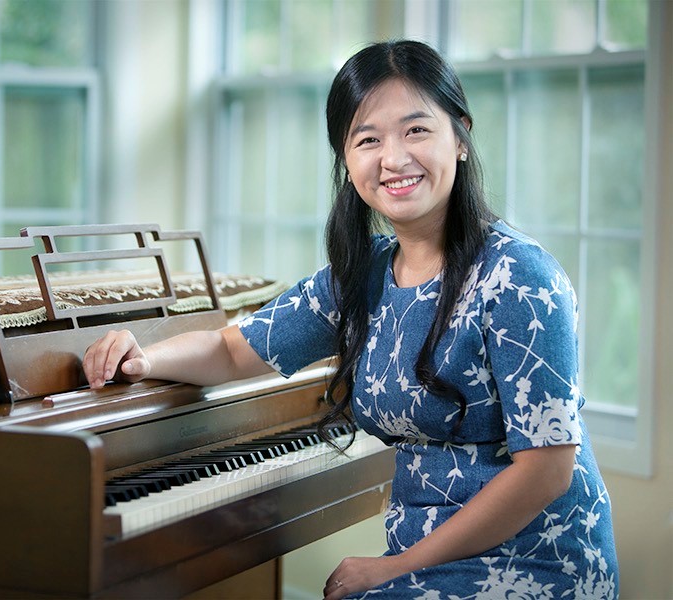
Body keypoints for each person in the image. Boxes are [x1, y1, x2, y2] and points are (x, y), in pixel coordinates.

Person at [83, 40, 618, 599]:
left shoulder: (520, 276)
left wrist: (394, 567)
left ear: (460, 137)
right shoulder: (364, 276)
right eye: (368, 140)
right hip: (424, 558)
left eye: (416, 130)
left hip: (536, 561)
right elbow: (234, 350)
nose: (393, 158)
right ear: (346, 159)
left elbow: (548, 470)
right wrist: (144, 357)